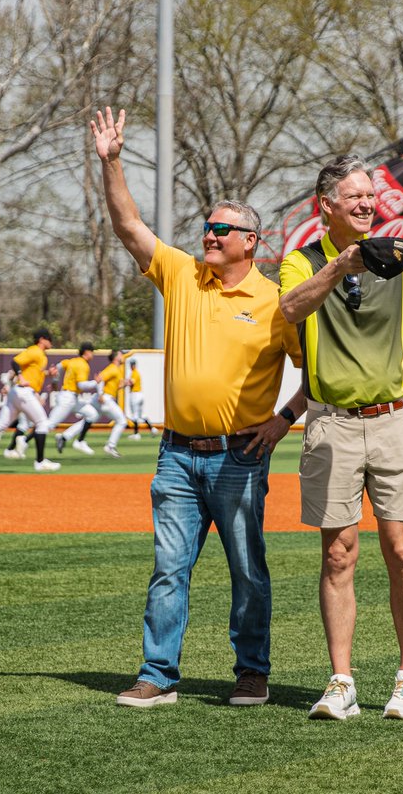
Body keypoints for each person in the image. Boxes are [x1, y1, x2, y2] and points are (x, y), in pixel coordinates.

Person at [92, 107, 305, 708]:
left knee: (248, 570)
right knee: (169, 569)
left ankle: (252, 672)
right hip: (177, 455)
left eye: (220, 229)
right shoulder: (182, 274)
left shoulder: (276, 301)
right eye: (206, 227)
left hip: (240, 456)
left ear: (251, 242)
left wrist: (284, 419)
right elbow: (128, 225)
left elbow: (316, 375)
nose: (208, 235)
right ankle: (157, 675)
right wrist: (112, 162)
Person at [278, 154, 403, 721]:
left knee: (401, 549)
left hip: (395, 419)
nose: (367, 204)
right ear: (325, 205)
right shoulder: (301, 261)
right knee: (337, 554)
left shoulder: (399, 262)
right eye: (354, 196)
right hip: (331, 422)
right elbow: (290, 308)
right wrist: (341, 266)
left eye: (371, 196)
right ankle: (341, 681)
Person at [0, 328, 61, 471]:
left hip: (18, 393)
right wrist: (20, 376)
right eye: (49, 339)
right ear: (41, 339)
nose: (51, 342)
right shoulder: (35, 351)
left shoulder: (41, 356)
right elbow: (15, 361)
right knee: (42, 423)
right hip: (24, 392)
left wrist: (47, 374)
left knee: (1, 424)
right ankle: (40, 462)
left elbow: (33, 372)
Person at [61, 349, 128, 457]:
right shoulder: (113, 368)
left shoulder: (117, 369)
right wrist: (100, 394)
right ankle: (110, 446)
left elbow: (114, 386)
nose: (122, 356)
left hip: (102, 399)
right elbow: (100, 378)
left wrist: (124, 384)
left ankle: (65, 436)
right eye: (121, 355)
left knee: (90, 419)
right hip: (105, 399)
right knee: (122, 421)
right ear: (116, 357)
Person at [49, 343, 102, 455]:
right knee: (49, 424)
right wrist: (95, 382)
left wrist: (55, 381)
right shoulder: (83, 365)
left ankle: (66, 438)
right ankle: (24, 440)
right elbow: (81, 385)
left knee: (92, 415)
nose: (93, 354)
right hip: (67, 399)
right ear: (87, 352)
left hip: (71, 398)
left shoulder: (71, 361)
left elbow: (58, 366)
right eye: (92, 352)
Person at [125, 358, 158, 439]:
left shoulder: (134, 373)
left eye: (131, 364)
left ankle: (136, 434)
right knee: (141, 414)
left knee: (135, 415)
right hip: (140, 394)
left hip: (135, 395)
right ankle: (152, 429)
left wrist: (124, 383)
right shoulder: (136, 373)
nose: (131, 366)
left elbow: (131, 382)